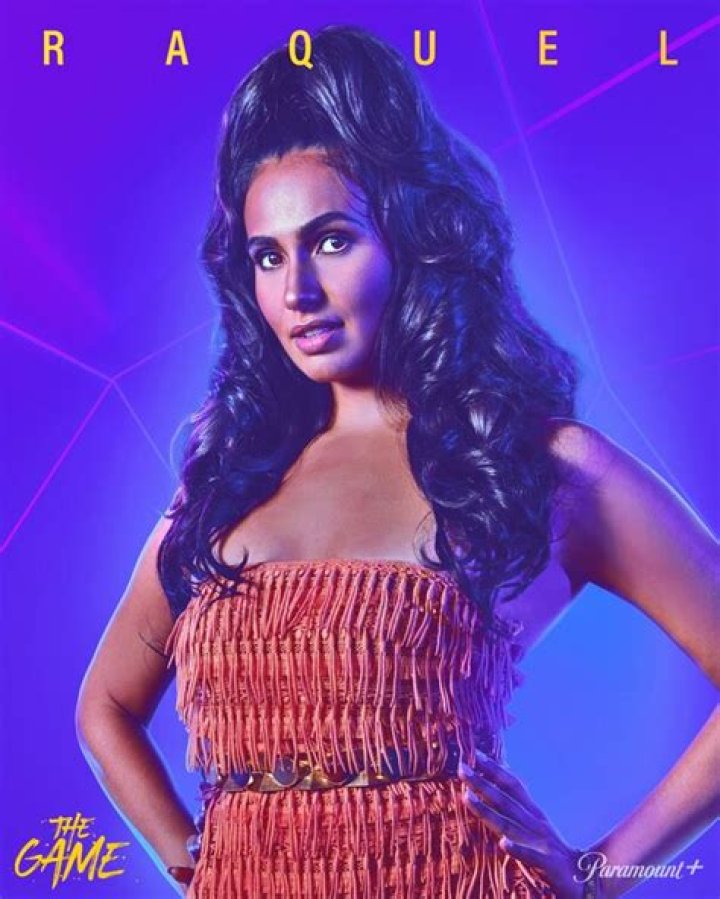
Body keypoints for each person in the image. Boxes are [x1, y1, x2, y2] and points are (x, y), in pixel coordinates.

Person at [75, 25, 719, 899]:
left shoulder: (537, 465)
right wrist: (200, 870)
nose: (298, 291)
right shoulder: (224, 489)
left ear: (409, 239)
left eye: (332, 240)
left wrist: (600, 874)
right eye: (269, 255)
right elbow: (104, 707)